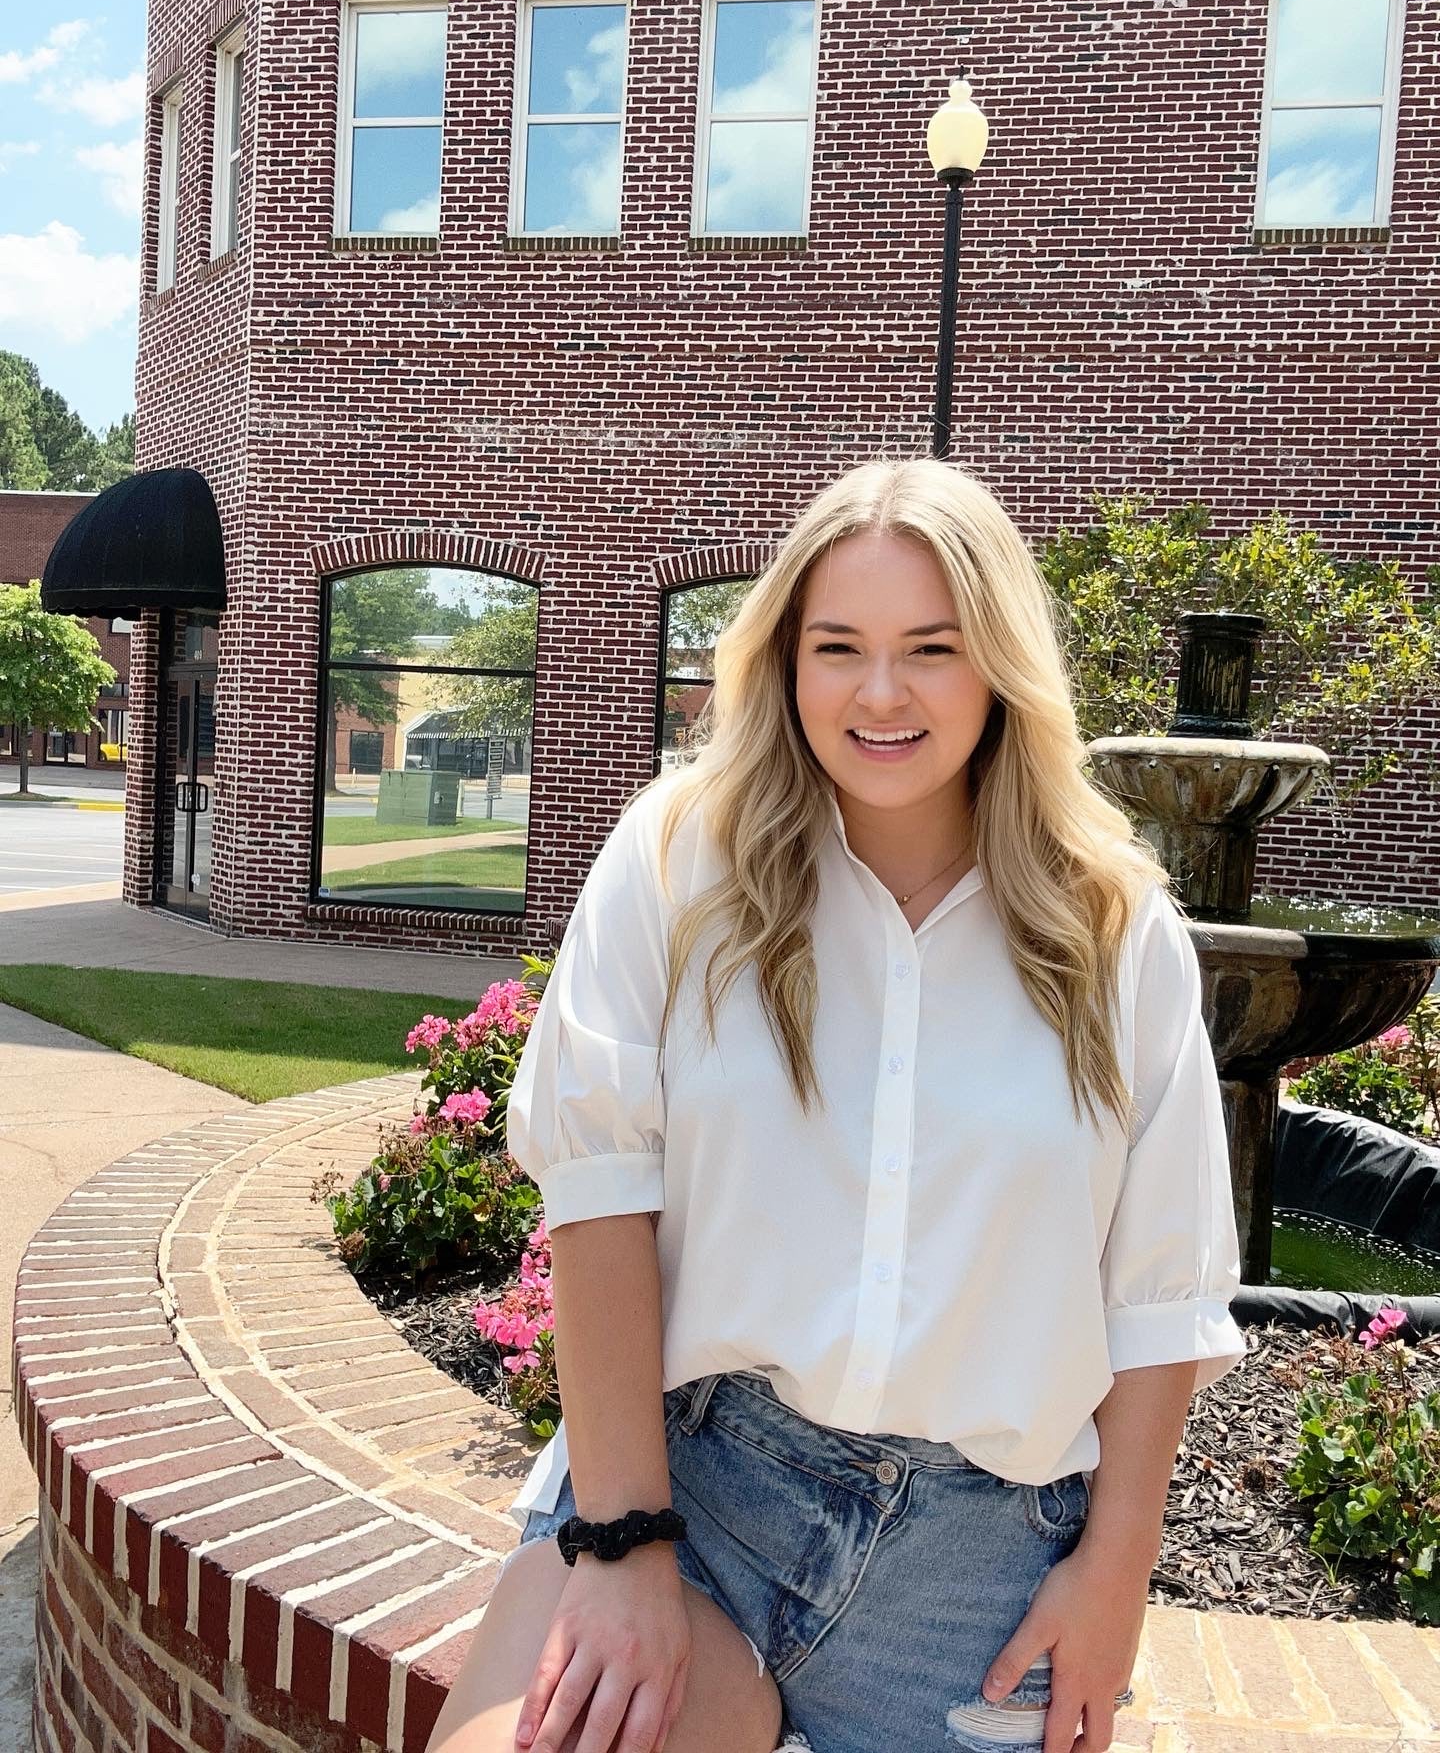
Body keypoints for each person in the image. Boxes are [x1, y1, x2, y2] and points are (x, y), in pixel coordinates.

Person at [424, 458, 1249, 1753]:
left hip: (979, 1574)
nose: (880, 692)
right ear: (784, 661)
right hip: (691, 1488)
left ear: (1002, 667)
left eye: (932, 647)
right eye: (838, 646)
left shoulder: (1118, 931)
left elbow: (1159, 1294)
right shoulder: (674, 858)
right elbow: (597, 1199)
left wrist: (1117, 1574)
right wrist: (626, 1545)